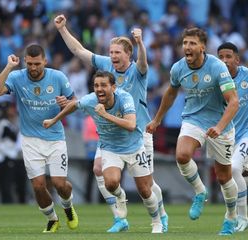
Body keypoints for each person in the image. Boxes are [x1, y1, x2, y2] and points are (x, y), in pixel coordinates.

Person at [54, 14, 168, 232]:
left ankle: (161, 215)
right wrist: (62, 29)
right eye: (111, 52)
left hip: (138, 131)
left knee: (147, 185)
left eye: (117, 52)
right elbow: (79, 51)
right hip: (110, 134)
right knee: (99, 169)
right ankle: (120, 218)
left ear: (128, 55)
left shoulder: (138, 70)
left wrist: (140, 42)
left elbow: (144, 61)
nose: (112, 56)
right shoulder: (106, 67)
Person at [43, 70, 163, 233]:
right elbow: (74, 104)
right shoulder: (90, 100)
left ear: (113, 87)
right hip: (110, 148)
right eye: (96, 85)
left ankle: (156, 222)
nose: (99, 89)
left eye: (103, 85)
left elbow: (131, 125)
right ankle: (120, 197)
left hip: (134, 147)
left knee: (145, 190)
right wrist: (54, 119)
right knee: (111, 183)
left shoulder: (124, 98)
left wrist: (105, 115)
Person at [146, 28, 239, 235]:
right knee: (182, 155)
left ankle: (231, 217)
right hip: (193, 119)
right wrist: (157, 119)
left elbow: (233, 102)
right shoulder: (178, 68)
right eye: (185, 43)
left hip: (219, 123)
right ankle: (200, 191)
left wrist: (220, 127)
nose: (187, 47)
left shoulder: (217, 67)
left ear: (203, 47)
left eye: (192, 43)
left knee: (224, 177)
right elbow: (170, 93)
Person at [0, 44, 78, 233]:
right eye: (29, 63)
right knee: (38, 186)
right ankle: (52, 219)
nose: (33, 68)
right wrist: (8, 68)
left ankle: (68, 207)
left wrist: (67, 103)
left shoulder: (58, 77)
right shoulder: (16, 77)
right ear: (25, 62)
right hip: (30, 140)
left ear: (45, 61)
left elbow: (75, 103)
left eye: (37, 63)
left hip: (55, 138)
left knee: (59, 184)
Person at [217, 42, 248, 232]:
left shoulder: (247, 76)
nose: (224, 61)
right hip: (226, 136)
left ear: (237, 59)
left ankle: (242, 218)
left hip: (246, 133)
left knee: (234, 168)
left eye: (228, 57)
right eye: (220, 57)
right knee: (233, 177)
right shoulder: (215, 81)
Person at [0, 102, 27, 204]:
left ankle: (15, 202)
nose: (13, 111)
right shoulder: (4, 124)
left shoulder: (7, 124)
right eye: (10, 109)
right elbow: (12, 138)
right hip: (5, 157)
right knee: (6, 184)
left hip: (9, 157)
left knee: (13, 184)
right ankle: (7, 203)